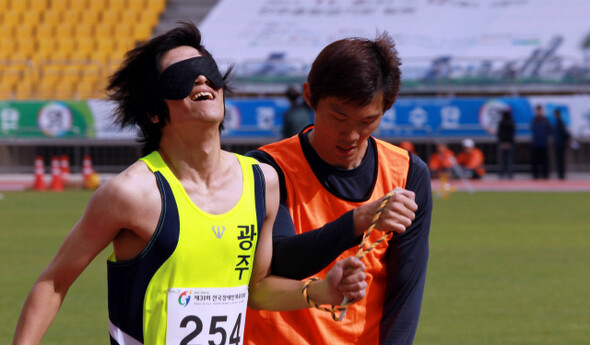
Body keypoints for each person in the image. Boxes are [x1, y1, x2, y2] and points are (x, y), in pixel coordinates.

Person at [11, 22, 368, 345]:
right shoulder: (131, 194)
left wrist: (321, 291)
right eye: (182, 75)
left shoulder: (263, 183)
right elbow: (54, 282)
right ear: (153, 111)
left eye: (208, 71)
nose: (201, 81)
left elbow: (256, 290)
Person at [245, 33, 432, 345]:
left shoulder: (408, 174)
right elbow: (278, 262)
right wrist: (358, 221)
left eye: (368, 121)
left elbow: (406, 292)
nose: (352, 135)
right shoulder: (266, 168)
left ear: (387, 107)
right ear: (309, 96)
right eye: (338, 116)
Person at [530, 104, 552, 179]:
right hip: (536, 143)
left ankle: (545, 175)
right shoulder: (534, 120)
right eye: (538, 110)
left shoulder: (545, 120)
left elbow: (549, 130)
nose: (539, 112)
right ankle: (535, 175)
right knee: (535, 160)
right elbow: (533, 129)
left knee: (544, 160)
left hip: (543, 143)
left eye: (540, 110)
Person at [496, 109, 515, 179]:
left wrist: (503, 142)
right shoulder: (510, 122)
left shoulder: (503, 123)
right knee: (507, 161)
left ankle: (503, 174)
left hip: (505, 144)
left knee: (504, 161)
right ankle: (508, 174)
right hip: (507, 144)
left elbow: (500, 134)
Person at [552, 108, 570, 179]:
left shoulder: (559, 122)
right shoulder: (558, 122)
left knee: (560, 160)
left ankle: (561, 175)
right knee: (560, 160)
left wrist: (567, 138)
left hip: (560, 144)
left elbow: (564, 132)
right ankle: (560, 174)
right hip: (558, 143)